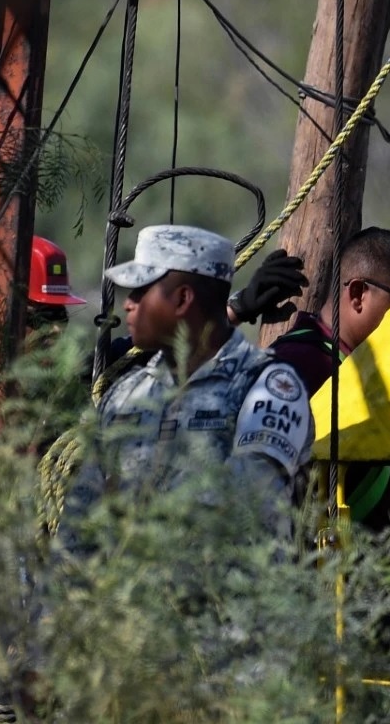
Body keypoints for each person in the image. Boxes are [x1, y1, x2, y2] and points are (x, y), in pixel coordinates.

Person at [64, 224, 314, 543]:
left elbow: (248, 506)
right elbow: (79, 519)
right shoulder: (125, 394)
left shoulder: (266, 388)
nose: (129, 303)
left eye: (141, 290)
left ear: (182, 299)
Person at [268, 226, 390, 663]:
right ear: (359, 294)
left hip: (378, 630)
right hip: (322, 630)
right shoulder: (298, 371)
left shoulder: (380, 374)